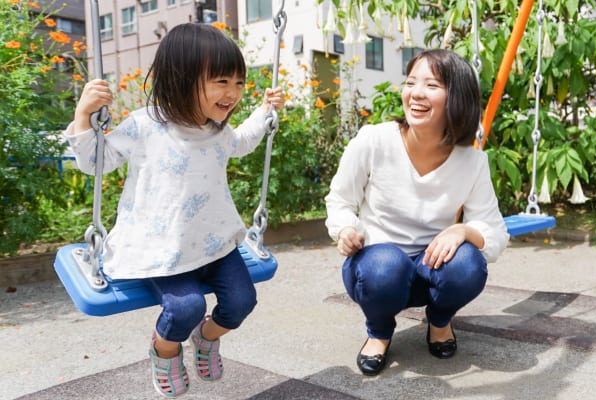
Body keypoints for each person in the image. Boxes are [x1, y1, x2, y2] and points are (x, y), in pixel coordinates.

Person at [63, 23, 284, 397]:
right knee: (185, 308)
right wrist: (84, 115)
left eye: (239, 83)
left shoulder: (217, 131)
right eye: (221, 81)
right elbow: (96, 162)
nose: (232, 94)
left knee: (242, 301)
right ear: (182, 78)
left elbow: (244, 141)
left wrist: (265, 111)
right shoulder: (145, 126)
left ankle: (206, 338)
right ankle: (164, 352)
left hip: (214, 242)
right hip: (162, 246)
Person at [325, 49, 509, 376]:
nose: (416, 93)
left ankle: (439, 322)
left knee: (469, 264)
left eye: (432, 85)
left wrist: (462, 231)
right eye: (411, 82)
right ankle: (379, 331)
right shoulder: (374, 140)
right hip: (376, 270)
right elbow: (339, 201)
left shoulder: (472, 161)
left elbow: (495, 232)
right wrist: (344, 230)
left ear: (458, 98)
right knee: (385, 265)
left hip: (430, 269)